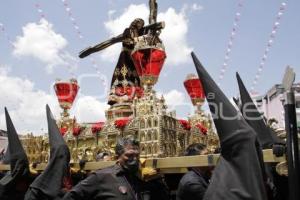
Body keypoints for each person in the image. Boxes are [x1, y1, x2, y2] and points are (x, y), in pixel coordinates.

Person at [63, 135, 170, 200]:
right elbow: (71, 197)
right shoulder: (102, 177)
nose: (134, 159)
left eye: (137, 155)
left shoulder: (143, 177)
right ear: (117, 157)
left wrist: (159, 182)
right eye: (129, 155)